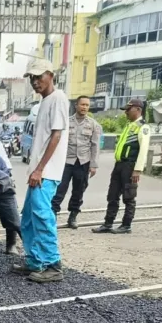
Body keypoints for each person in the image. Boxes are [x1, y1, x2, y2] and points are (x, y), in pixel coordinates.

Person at [13, 58, 69, 283]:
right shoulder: (43, 102)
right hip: (37, 172)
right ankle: (35, 261)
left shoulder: (58, 98)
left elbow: (56, 136)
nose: (35, 82)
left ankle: (53, 265)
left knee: (42, 216)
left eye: (39, 77)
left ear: (50, 75)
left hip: (46, 172)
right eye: (32, 78)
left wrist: (40, 169)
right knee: (27, 218)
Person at [93, 99, 151, 235]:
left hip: (130, 166)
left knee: (129, 196)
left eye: (128, 109)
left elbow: (143, 149)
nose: (126, 112)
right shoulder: (130, 125)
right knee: (112, 195)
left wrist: (137, 170)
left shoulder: (143, 127)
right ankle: (108, 223)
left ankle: (126, 225)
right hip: (119, 164)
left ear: (138, 109)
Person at [53, 95, 101, 229]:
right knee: (59, 189)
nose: (85, 107)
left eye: (87, 105)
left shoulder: (93, 125)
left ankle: (73, 216)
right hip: (67, 162)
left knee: (79, 191)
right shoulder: (67, 123)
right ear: (76, 105)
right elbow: (59, 142)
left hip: (83, 162)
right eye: (82, 104)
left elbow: (95, 146)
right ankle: (53, 215)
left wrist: (93, 165)